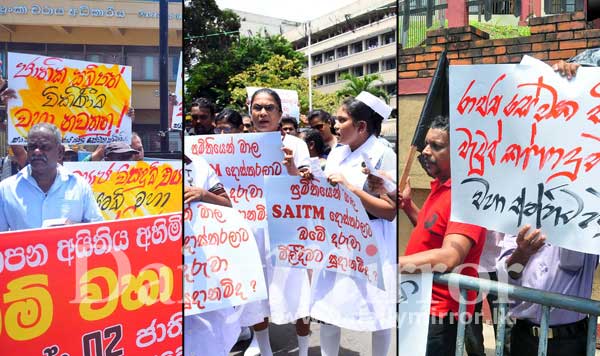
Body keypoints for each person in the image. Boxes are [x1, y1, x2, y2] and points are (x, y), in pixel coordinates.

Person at [491, 52, 600, 356]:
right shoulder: (519, 200)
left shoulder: (592, 201)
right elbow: (506, 273)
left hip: (570, 341)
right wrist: (522, 253)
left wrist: (582, 82)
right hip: (523, 338)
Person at [310, 92, 397, 356]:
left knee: (377, 307)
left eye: (341, 120)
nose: (335, 125)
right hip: (338, 238)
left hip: (371, 240)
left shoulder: (383, 154)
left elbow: (390, 211)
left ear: (361, 126)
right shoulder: (337, 152)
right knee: (330, 303)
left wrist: (351, 189)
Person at [398, 115, 486, 356]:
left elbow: (449, 256)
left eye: (436, 146)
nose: (425, 151)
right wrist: (408, 207)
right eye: (427, 143)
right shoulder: (440, 187)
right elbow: (432, 236)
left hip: (441, 315)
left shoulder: (465, 196)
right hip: (419, 303)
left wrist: (391, 265)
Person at [240, 88, 311, 356]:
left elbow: (308, 187)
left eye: (269, 108)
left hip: (287, 231)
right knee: (257, 293)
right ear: (250, 111)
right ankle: (265, 349)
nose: (263, 113)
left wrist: (292, 167)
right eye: (257, 107)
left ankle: (303, 350)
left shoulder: (297, 145)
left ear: (281, 114)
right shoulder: (240, 146)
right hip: (252, 230)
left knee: (297, 291)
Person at [183, 154, 239, 356]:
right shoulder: (146, 170)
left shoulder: (198, 165)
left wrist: (202, 194)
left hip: (201, 259)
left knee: (207, 327)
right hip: (161, 266)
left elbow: (227, 203)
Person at [0, 123, 102, 230]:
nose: (37, 152)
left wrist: (74, 228)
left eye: (44, 147)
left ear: (60, 152)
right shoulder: (6, 189)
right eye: (32, 147)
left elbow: (98, 231)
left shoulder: (79, 186)